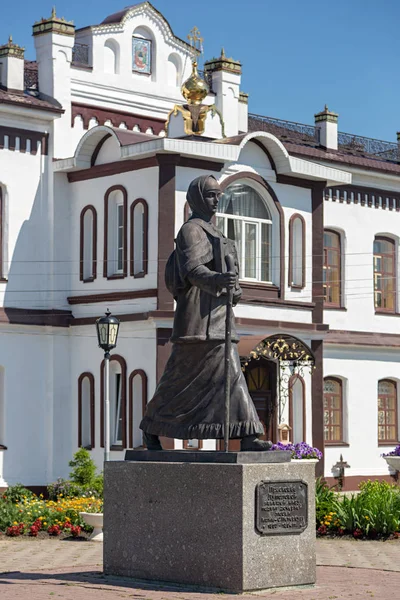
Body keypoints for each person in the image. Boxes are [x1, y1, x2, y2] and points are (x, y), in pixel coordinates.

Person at [140, 174, 271, 451]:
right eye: (211, 195)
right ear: (197, 197)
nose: (215, 201)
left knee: (232, 374)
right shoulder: (191, 231)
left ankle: (248, 435)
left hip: (221, 320)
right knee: (178, 381)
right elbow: (192, 270)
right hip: (196, 322)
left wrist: (234, 289)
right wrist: (217, 281)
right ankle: (151, 428)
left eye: (218, 195)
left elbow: (230, 276)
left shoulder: (220, 235)